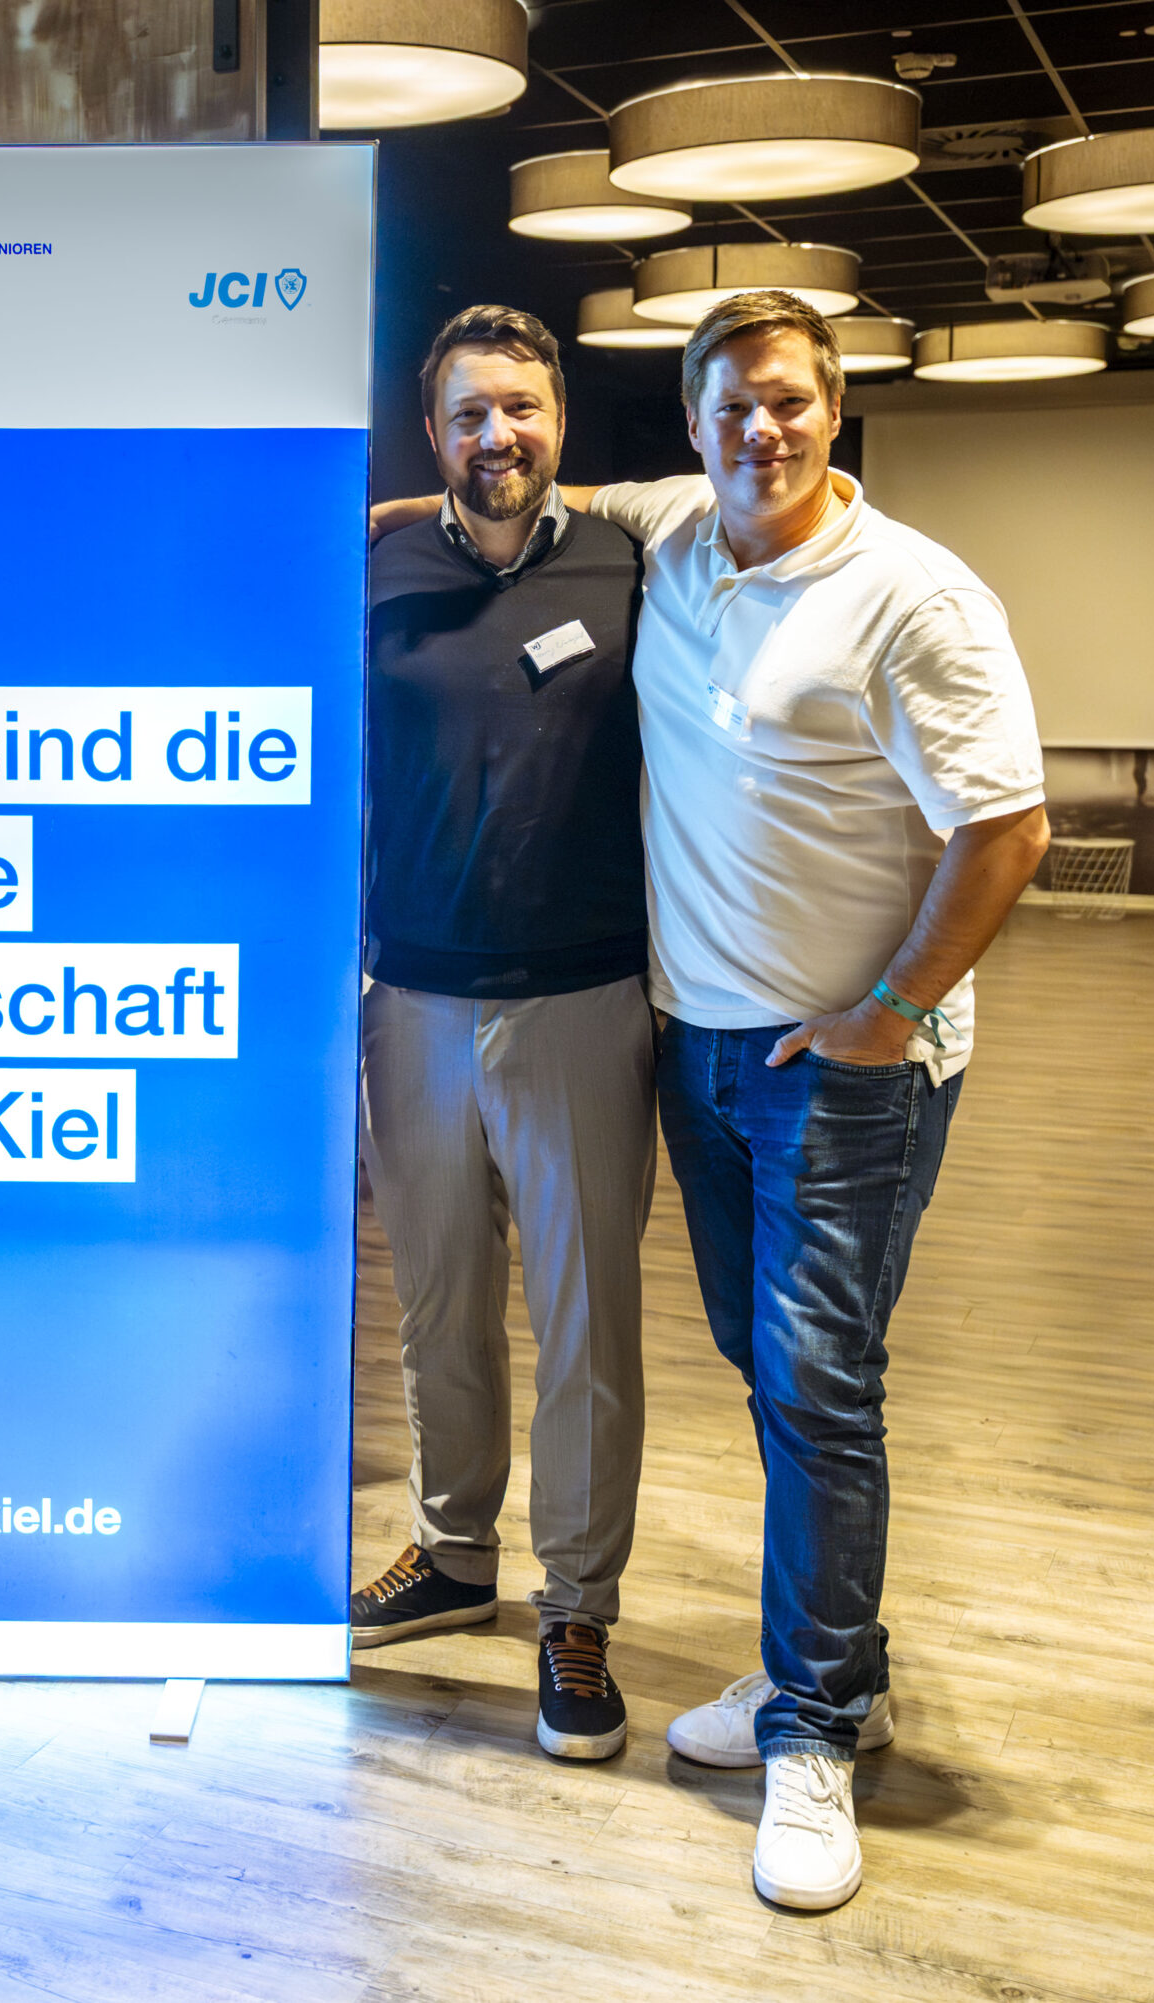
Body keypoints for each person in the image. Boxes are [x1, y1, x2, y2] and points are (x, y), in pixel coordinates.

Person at [375, 289, 1048, 1910]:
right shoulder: (636, 539)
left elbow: (1008, 825)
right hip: (620, 1027)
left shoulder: (864, 585)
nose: (762, 430)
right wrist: (378, 508)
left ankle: (729, 1687)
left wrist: (895, 1009)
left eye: (788, 402)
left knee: (787, 1375)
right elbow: (497, 493)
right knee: (710, 1355)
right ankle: (537, 1576)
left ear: (835, 409)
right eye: (732, 406)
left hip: (772, 1044)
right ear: (691, 427)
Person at [352, 304, 653, 1768]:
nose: (497, 436)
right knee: (438, 1306)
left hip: (582, 999)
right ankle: (454, 1552)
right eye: (469, 414)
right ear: (433, 434)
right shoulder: (374, 567)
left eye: (521, 408)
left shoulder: (629, 560)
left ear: (561, 422)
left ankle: (576, 1606)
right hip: (408, 999)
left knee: (586, 1323)